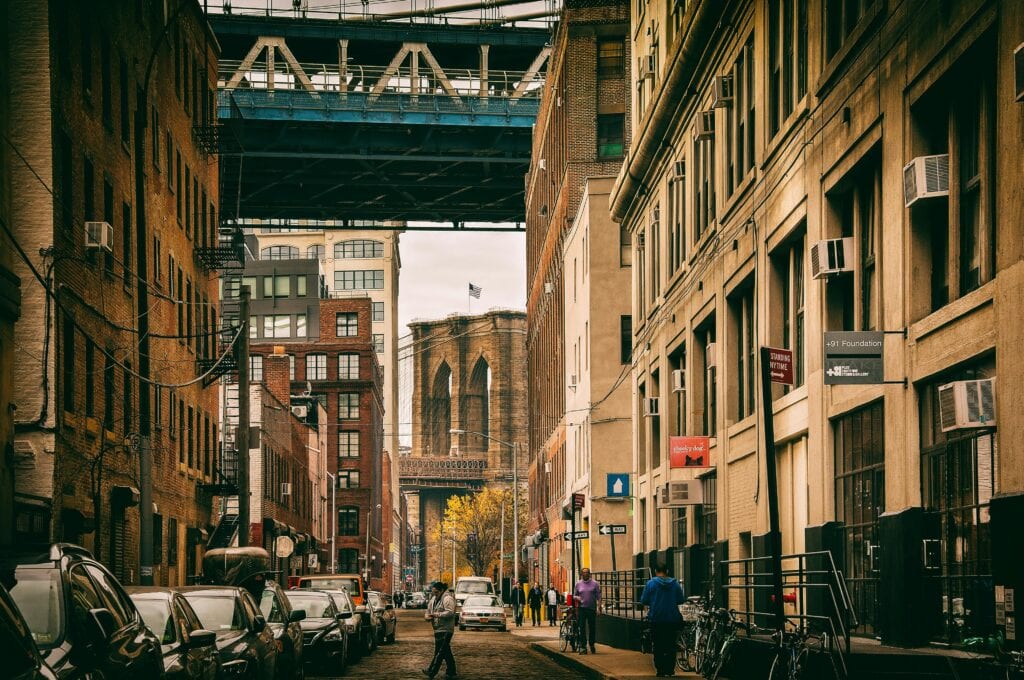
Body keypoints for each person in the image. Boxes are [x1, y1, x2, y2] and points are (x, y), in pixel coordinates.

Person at [640, 564, 686, 677]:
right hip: (672, 618)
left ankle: (660, 670)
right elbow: (681, 599)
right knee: (671, 644)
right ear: (667, 570)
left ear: (656, 571)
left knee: (658, 644)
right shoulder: (675, 584)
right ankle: (670, 670)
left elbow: (644, 600)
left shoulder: (650, 583)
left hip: (656, 618)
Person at [422, 581, 458, 679]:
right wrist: (427, 617)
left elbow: (450, 613)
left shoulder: (448, 599)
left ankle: (432, 671)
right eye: (433, 592)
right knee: (445, 651)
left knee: (440, 651)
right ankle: (451, 671)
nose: (435, 594)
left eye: (436, 592)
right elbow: (428, 611)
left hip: (446, 629)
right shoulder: (433, 599)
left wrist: (437, 615)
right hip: (437, 629)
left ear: (441, 590)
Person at [573, 568, 601, 654]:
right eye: (584, 573)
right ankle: (583, 646)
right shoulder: (578, 584)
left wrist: (598, 608)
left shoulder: (595, 584)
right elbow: (574, 595)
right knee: (582, 627)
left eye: (587, 573)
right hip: (582, 609)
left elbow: (599, 597)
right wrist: (577, 598)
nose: (585, 574)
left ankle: (592, 644)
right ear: (581, 574)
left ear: (589, 574)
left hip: (591, 609)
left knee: (592, 628)